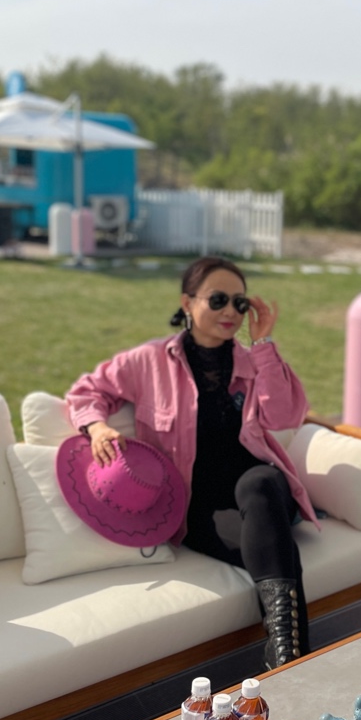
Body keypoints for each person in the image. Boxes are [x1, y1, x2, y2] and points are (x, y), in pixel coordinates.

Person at [66, 256, 314, 670]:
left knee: (259, 482)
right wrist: (96, 427)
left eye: (239, 303)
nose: (230, 312)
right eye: (218, 300)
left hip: (263, 496)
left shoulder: (253, 361)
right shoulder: (147, 361)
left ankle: (289, 662)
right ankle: (293, 661)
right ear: (187, 302)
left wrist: (264, 345)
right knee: (279, 553)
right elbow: (87, 391)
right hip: (200, 511)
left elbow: (285, 416)